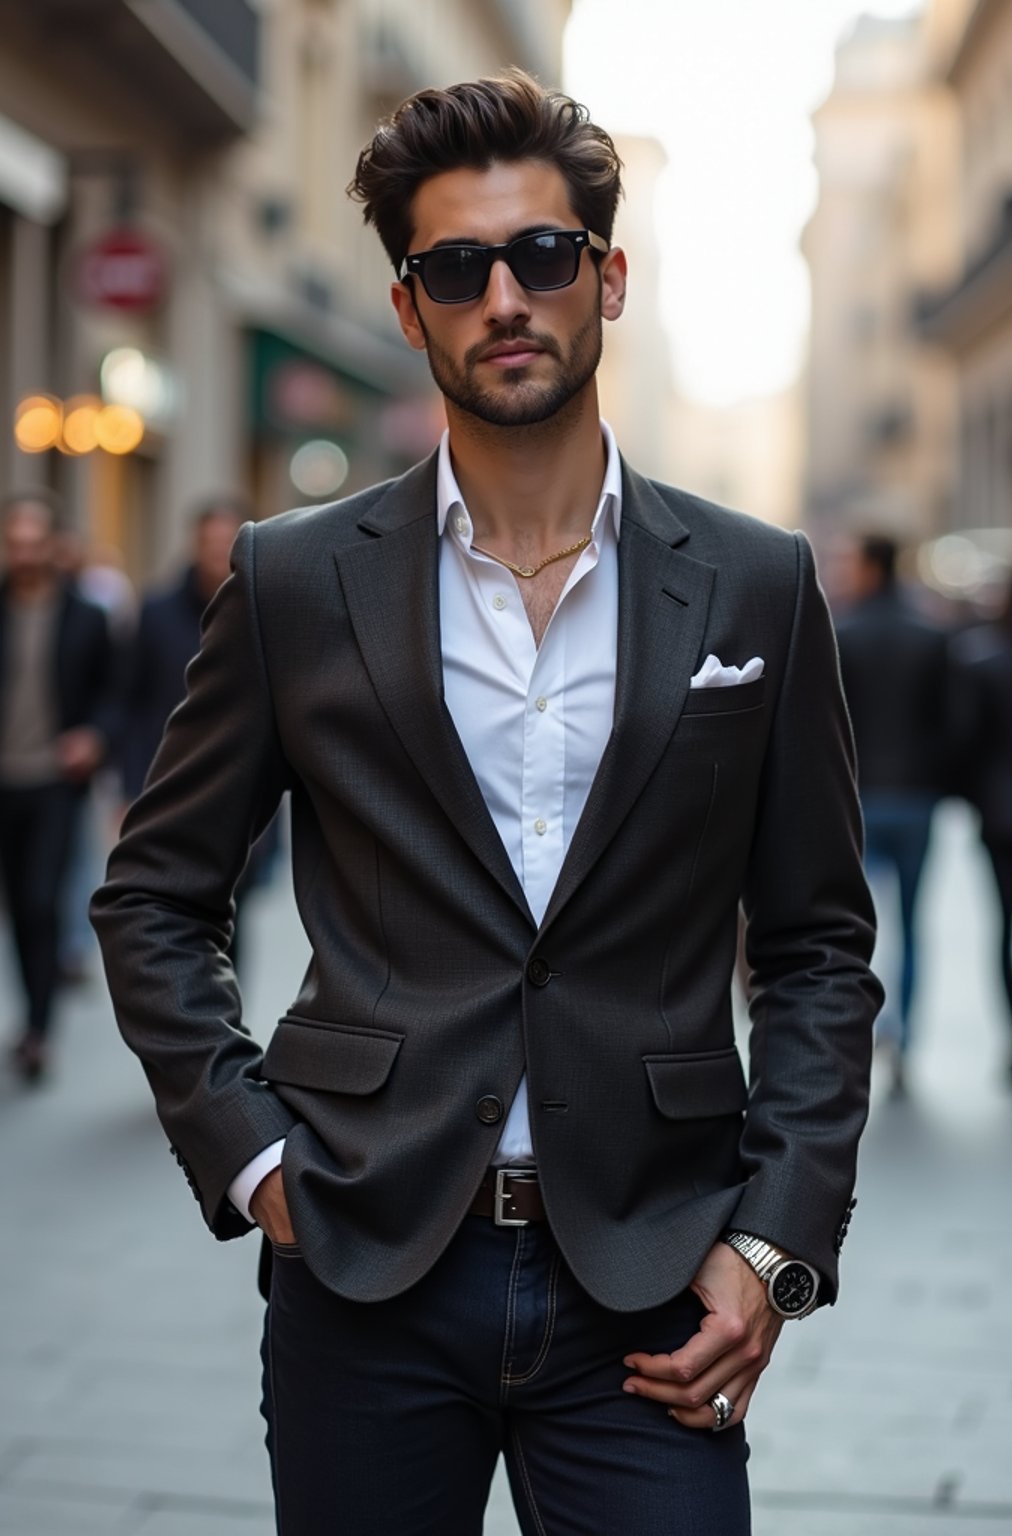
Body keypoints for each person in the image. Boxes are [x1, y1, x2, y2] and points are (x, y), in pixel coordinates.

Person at [92, 71, 881, 1536]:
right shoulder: (293, 579)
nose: (504, 296)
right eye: (456, 268)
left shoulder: (756, 582)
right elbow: (154, 896)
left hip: (651, 1282)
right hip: (366, 1266)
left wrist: (774, 1241)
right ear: (411, 310)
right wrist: (256, 1159)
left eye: (543, 255)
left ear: (609, 278)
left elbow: (821, 946)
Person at [118, 496, 279, 970]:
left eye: (226, 542)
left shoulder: (271, 610)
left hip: (248, 791)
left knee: (233, 911)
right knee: (173, 908)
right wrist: (129, 788)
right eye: (208, 542)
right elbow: (132, 700)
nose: (217, 552)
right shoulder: (157, 611)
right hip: (169, 782)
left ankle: (227, 1013)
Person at [0, 490, 117, 1081]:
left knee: (43, 900)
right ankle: (31, 1008)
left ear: (52, 545)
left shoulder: (86, 616)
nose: (23, 552)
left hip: (53, 781)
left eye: (32, 541)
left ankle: (39, 1029)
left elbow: (114, 695)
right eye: (12, 542)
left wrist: (93, 736)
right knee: (18, 906)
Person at [835, 533, 949, 1096]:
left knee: (856, 927)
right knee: (911, 922)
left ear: (870, 567)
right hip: (917, 797)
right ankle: (904, 1037)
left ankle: (867, 1032)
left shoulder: (844, 633)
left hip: (859, 797)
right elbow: (952, 721)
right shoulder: (931, 634)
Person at [951, 568, 1012, 1083]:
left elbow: (966, 742)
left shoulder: (986, 663)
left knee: (1005, 927)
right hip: (1001, 810)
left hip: (1002, 814)